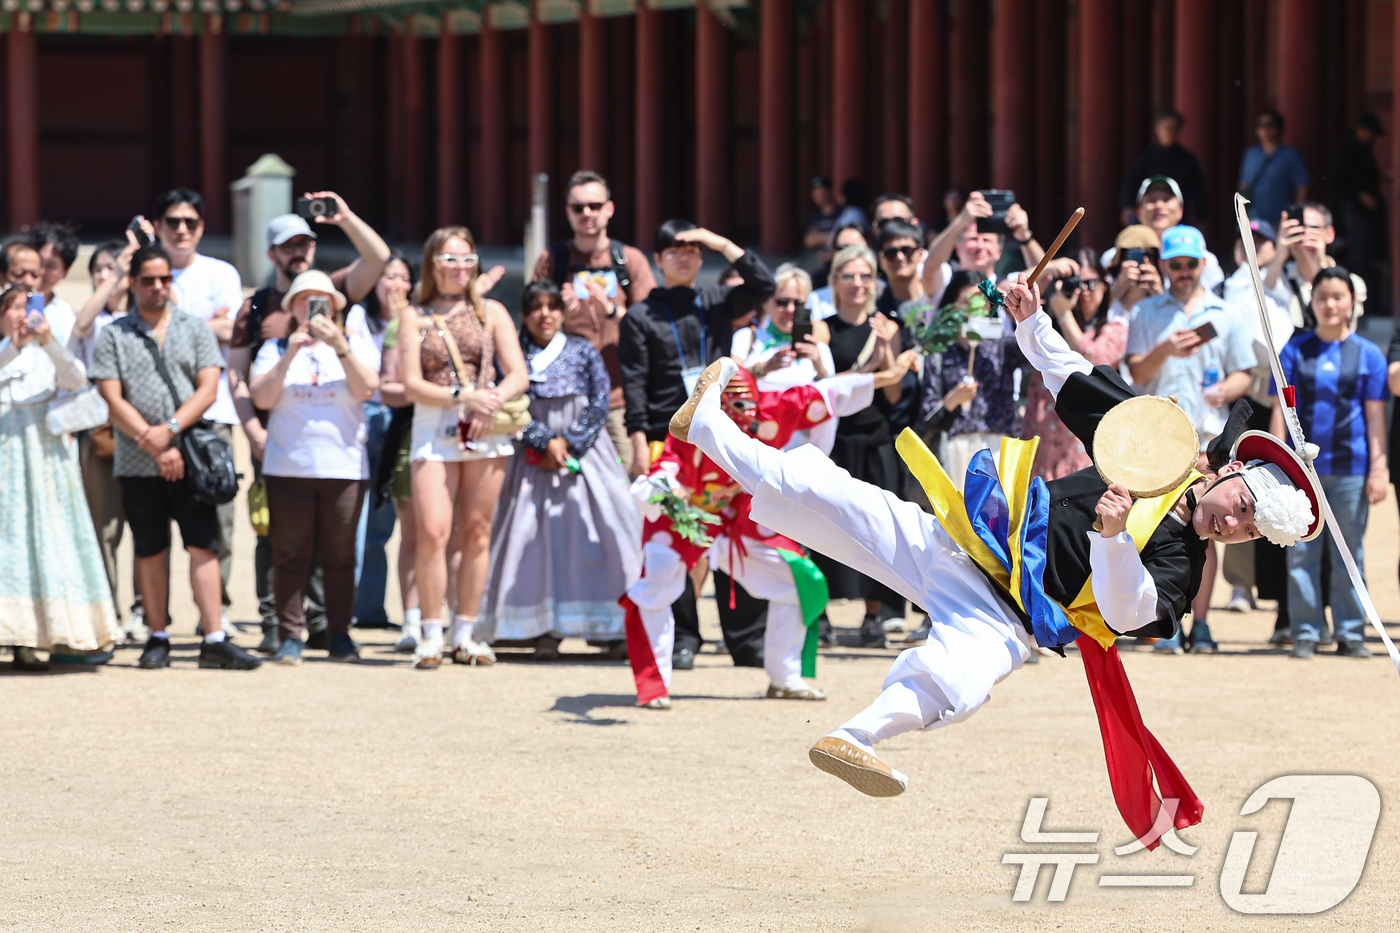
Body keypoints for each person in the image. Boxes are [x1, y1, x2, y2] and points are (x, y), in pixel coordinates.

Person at [668, 275, 1323, 843]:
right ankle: (706, 426)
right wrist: (1032, 322)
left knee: (962, 681)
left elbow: (1130, 612)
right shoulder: (1161, 447)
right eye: (1242, 504)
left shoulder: (1183, 565)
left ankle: (854, 737)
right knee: (830, 494)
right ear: (1233, 469)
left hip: (1007, 617)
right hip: (968, 542)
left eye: (1248, 530)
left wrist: (1114, 538)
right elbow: (1079, 381)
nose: (1232, 523)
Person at [634, 354, 917, 708]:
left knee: (800, 581)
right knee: (656, 581)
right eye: (737, 406)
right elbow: (667, 466)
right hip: (685, 519)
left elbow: (825, 393)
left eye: (751, 405)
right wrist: (667, 488)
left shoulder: (771, 413)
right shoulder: (689, 432)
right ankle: (653, 684)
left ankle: (785, 677)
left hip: (738, 522)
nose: (747, 415)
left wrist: (887, 376)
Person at [227, 197, 390, 652]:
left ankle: (331, 628)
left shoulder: (342, 311)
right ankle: (281, 628)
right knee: (282, 546)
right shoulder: (260, 311)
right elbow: (240, 379)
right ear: (272, 253)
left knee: (337, 551)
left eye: (305, 243)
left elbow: (378, 259)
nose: (298, 252)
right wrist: (253, 431)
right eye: (288, 246)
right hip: (279, 447)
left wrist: (344, 217)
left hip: (340, 460)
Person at [89, 243, 261, 671]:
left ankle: (214, 635)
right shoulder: (114, 333)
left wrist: (168, 432)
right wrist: (152, 441)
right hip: (136, 458)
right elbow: (111, 396)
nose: (157, 287)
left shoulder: (195, 328)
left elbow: (208, 388)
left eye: (164, 279)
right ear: (133, 283)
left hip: (190, 455)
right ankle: (157, 634)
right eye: (148, 280)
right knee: (149, 547)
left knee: (203, 544)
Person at [478, 280, 641, 657]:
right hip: (529, 456)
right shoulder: (513, 352)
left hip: (585, 454)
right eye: (535, 307)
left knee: (605, 528)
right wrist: (542, 440)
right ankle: (540, 628)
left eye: (552, 306)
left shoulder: (583, 350)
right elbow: (508, 402)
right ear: (523, 315)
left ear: (563, 312)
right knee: (532, 539)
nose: (545, 315)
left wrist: (569, 442)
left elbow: (601, 400)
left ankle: (611, 628)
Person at [401, 226, 529, 669]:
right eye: (450, 259)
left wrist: (490, 399)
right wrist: (461, 396)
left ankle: (466, 633)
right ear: (433, 265)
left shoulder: (491, 311)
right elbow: (411, 383)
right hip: (435, 423)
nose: (460, 268)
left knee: (476, 531)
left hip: (485, 426)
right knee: (433, 531)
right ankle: (430, 632)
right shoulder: (414, 316)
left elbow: (518, 372)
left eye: (467, 259)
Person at [1127, 225, 1255, 654]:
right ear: (1164, 266)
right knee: (1156, 525)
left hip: (1210, 440)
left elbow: (1244, 374)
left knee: (1209, 527)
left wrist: (1225, 390)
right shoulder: (1145, 312)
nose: (1183, 271)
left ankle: (1200, 623)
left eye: (1190, 264)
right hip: (1158, 440)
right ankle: (1163, 619)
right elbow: (1137, 373)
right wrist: (1165, 350)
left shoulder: (1226, 313)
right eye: (1175, 264)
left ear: (1203, 264)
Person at [249, 271, 380, 665]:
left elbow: (367, 388)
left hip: (344, 468)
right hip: (289, 467)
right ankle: (291, 635)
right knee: (289, 554)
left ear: (334, 307)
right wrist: (290, 354)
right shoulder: (274, 348)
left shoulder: (354, 343)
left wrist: (340, 346)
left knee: (339, 555)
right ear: (292, 307)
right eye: (303, 300)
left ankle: (339, 634)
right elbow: (262, 397)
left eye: (319, 299)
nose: (312, 307)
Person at [0, 284, 120, 669]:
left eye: (28, 307)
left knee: (47, 539)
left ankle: (37, 637)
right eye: (13, 308)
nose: (22, 315)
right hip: (5, 457)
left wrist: (48, 342)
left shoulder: (50, 351)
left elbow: (76, 378)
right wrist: (14, 346)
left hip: (44, 459)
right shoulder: (4, 352)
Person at [1271, 268, 1387, 660]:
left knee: (1349, 554)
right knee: (1301, 553)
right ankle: (1305, 631)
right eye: (1322, 297)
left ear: (1352, 302)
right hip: (1301, 472)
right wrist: (1274, 461)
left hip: (1352, 468)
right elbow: (1280, 410)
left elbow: (1375, 417)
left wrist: (1378, 469)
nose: (1330, 305)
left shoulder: (1368, 354)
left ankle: (1351, 632)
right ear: (1312, 302)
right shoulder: (1294, 350)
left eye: (1338, 297)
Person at [618, 220, 775, 481]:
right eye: (674, 251)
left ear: (701, 259)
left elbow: (765, 285)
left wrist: (721, 244)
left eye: (692, 251)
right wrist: (638, 444)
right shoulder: (639, 316)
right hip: (665, 434)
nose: (683, 258)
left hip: (718, 430)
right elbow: (634, 384)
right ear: (657, 259)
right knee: (667, 508)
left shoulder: (717, 300)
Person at [819, 243, 916, 646]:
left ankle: (874, 615)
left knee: (880, 529)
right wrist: (872, 367)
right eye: (849, 276)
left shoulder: (888, 326)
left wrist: (887, 349)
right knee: (823, 525)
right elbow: (823, 388)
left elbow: (894, 395)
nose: (857, 283)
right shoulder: (822, 329)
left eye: (865, 276)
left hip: (876, 437)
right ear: (835, 282)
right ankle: (820, 615)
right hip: (833, 440)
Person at [531, 170, 657, 472]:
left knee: (626, 480)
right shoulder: (553, 261)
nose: (587, 213)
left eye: (595, 206)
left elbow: (653, 328)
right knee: (569, 483)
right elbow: (531, 329)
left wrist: (613, 312)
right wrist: (557, 315)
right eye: (578, 207)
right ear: (567, 212)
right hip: (567, 399)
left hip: (620, 399)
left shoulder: (629, 260)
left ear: (609, 209)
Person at [70, 236, 142, 638]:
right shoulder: (91, 319)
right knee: (105, 528)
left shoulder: (143, 315)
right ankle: (108, 611)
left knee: (147, 525)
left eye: (111, 267)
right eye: (97, 269)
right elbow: (81, 324)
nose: (104, 274)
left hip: (144, 431)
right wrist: (113, 278)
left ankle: (144, 611)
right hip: (100, 431)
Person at [345, 252, 411, 630]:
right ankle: (351, 606)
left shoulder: (415, 319)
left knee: (383, 523)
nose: (396, 285)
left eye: (403, 277)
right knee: (357, 517)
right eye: (388, 276)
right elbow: (370, 375)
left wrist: (403, 322)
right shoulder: (357, 316)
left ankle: (371, 610)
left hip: (401, 422)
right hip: (365, 417)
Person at [1021, 251, 1125, 481]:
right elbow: (1004, 294)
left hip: (1082, 450)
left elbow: (1093, 361)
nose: (1084, 291)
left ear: (1105, 285)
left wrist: (1064, 314)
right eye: (1077, 284)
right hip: (1041, 446)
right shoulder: (1047, 325)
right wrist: (1049, 268)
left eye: (1091, 284)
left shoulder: (1114, 329)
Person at [917, 270, 1026, 485]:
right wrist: (953, 399)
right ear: (953, 306)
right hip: (956, 448)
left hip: (999, 445)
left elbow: (1033, 356)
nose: (974, 308)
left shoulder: (1003, 343)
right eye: (966, 301)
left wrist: (1015, 314)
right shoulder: (939, 351)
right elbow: (926, 418)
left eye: (980, 301)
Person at [921, 191, 1059, 310]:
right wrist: (960, 221)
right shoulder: (946, 280)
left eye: (986, 240)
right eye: (973, 239)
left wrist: (1025, 236)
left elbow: (1044, 275)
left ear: (999, 251)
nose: (980, 246)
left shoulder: (1010, 284)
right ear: (957, 247)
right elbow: (930, 267)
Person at [730, 263, 833, 392]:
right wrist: (765, 368)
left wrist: (819, 367)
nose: (790, 309)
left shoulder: (818, 348)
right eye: (782, 302)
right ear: (766, 302)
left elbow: (832, 394)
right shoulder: (747, 337)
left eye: (798, 303)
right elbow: (731, 382)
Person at [1266, 202, 1368, 325]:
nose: (1304, 234)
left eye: (1313, 227)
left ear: (1329, 234)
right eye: (1297, 228)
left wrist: (1317, 263)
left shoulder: (1351, 283)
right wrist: (1280, 254)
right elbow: (1262, 299)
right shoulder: (1276, 278)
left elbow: (1342, 328)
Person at [1131, 176, 1224, 292]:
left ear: (1180, 210)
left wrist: (1159, 297)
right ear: (1138, 212)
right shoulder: (1120, 254)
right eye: (1152, 200)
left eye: (1166, 199)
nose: (1159, 205)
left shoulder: (1200, 254)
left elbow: (1217, 296)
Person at [1118, 109, 1210, 227]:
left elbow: (1199, 192)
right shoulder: (1145, 158)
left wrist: (1201, 219)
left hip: (1178, 219)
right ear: (1157, 129)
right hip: (1149, 218)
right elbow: (1131, 184)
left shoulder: (1187, 160)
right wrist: (1127, 206)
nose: (1168, 131)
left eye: (1173, 127)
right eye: (1165, 127)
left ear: (1179, 130)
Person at [1330, 112, 1385, 297]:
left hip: (1364, 211)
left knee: (1365, 251)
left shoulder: (1364, 150)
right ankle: (1356, 295)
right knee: (1358, 253)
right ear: (1361, 130)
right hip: (1352, 210)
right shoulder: (1348, 151)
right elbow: (1340, 181)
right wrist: (1360, 195)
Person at [1238, 108, 1310, 228]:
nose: (1265, 129)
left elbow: (1302, 185)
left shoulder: (1290, 155)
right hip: (1254, 216)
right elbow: (1244, 185)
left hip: (1281, 216)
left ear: (1279, 128)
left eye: (1270, 124)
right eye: (1260, 125)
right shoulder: (1250, 154)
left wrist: (1296, 214)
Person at [27, 221, 82, 347]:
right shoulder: (5, 307)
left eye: (50, 266)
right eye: (38, 262)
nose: (41, 271)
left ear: (65, 272)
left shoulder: (69, 318)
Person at [809, 222, 872, 306]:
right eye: (843, 249)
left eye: (856, 248)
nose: (850, 255)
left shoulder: (884, 292)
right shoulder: (815, 296)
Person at [874, 219, 926, 317]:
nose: (900, 257)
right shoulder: (875, 311)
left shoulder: (940, 298)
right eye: (891, 253)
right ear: (880, 261)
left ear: (921, 254)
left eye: (907, 250)